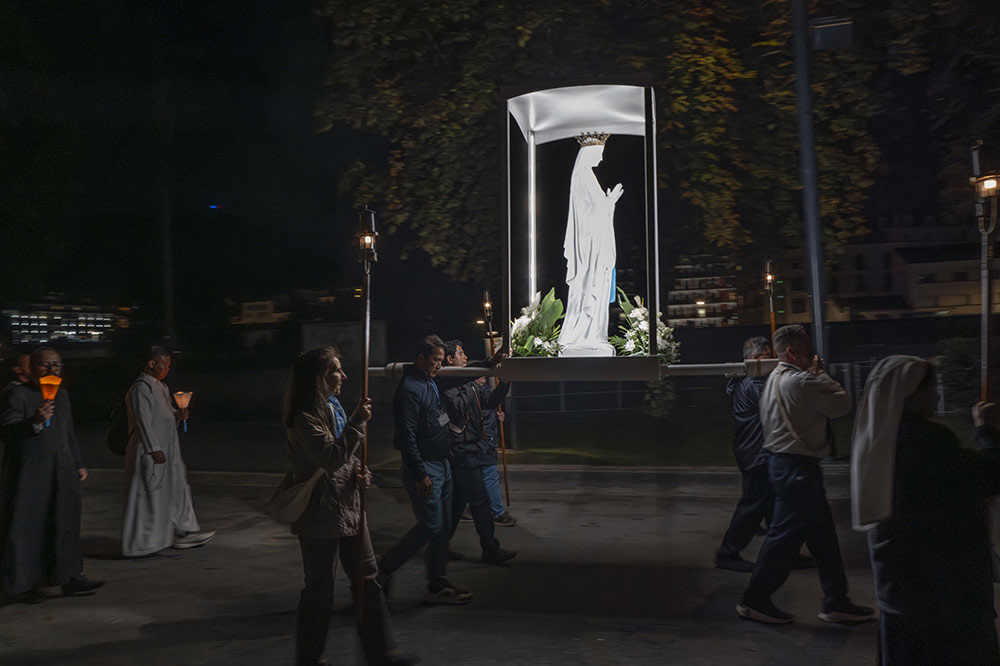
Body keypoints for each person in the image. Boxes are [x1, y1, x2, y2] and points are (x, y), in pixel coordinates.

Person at [852, 356, 1000, 665]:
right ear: (911, 395)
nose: (936, 396)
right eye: (930, 388)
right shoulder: (927, 440)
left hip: (898, 584)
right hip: (941, 591)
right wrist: (985, 430)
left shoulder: (879, 441)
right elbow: (989, 474)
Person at [285, 347, 416, 666]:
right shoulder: (304, 416)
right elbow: (329, 457)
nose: (343, 376)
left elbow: (344, 455)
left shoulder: (333, 408)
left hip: (349, 506)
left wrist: (359, 470)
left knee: (368, 579)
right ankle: (309, 657)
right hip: (320, 513)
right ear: (320, 377)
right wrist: (358, 422)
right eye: (336, 371)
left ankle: (381, 651)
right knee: (319, 589)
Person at [737, 325, 872, 625]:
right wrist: (820, 373)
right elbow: (841, 404)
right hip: (797, 468)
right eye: (807, 347)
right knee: (784, 539)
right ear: (791, 352)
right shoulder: (801, 382)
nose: (812, 353)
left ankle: (836, 600)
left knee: (823, 538)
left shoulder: (774, 378)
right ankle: (755, 599)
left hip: (784, 464)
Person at [0, 347, 103, 603]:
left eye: (56, 365)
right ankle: (25, 584)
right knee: (29, 527)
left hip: (61, 470)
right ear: (32, 369)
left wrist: (77, 463)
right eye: (45, 366)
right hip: (31, 474)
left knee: (65, 523)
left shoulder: (63, 396)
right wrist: (35, 420)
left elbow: (67, 433)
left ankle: (70, 576)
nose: (51, 371)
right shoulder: (17, 395)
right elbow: (8, 431)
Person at [378, 335, 472, 604]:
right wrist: (420, 473)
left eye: (442, 361)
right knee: (431, 525)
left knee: (442, 528)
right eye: (435, 360)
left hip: (442, 463)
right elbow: (406, 436)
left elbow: (450, 388)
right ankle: (385, 569)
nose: (439, 366)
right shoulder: (410, 389)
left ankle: (437, 583)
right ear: (419, 358)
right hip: (426, 468)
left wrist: (490, 362)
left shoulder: (430, 381)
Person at [122, 345, 213, 557]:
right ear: (151, 363)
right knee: (149, 497)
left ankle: (183, 531)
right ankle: (142, 543)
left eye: (169, 365)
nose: (168, 368)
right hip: (151, 452)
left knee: (177, 489)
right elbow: (143, 421)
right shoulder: (140, 389)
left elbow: (163, 415)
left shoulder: (161, 388)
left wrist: (178, 415)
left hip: (168, 451)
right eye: (165, 363)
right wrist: (153, 448)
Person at [440, 340, 515, 564]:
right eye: (461, 354)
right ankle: (490, 548)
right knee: (480, 501)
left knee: (457, 503)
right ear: (450, 360)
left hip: (472, 446)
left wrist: (505, 381)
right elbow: (457, 410)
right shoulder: (446, 383)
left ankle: (440, 546)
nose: (465, 357)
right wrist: (470, 381)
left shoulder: (471, 384)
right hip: (460, 450)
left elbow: (489, 401)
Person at [557, 132, 623, 357]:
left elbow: (595, 209)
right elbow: (592, 213)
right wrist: (610, 203)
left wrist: (608, 204)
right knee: (589, 293)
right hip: (590, 249)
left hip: (594, 246)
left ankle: (592, 335)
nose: (602, 159)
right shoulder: (583, 176)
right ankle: (585, 336)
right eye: (600, 154)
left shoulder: (585, 176)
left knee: (595, 295)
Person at [715, 336, 773, 573]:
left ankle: (783, 551)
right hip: (756, 451)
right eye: (770, 355)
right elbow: (773, 406)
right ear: (758, 358)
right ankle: (727, 553)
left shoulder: (745, 380)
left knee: (771, 505)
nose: (774, 360)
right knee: (753, 504)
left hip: (751, 449)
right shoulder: (755, 383)